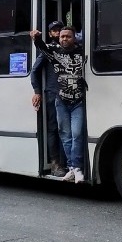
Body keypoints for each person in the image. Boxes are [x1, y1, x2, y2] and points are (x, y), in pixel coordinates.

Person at [30, 26, 87, 183]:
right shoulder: (54, 52)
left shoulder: (82, 51)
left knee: (77, 134)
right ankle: (72, 168)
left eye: (68, 36)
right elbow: (42, 47)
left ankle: (77, 167)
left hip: (78, 101)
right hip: (60, 101)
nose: (64, 39)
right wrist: (36, 38)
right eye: (62, 36)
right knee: (65, 136)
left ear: (74, 38)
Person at [31, 20, 67, 178]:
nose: (58, 32)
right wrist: (37, 92)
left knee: (66, 130)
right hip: (52, 94)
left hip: (68, 94)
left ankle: (68, 162)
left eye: (60, 29)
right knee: (53, 129)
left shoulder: (70, 49)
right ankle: (55, 163)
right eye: (54, 30)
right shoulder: (49, 50)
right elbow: (34, 71)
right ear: (50, 34)